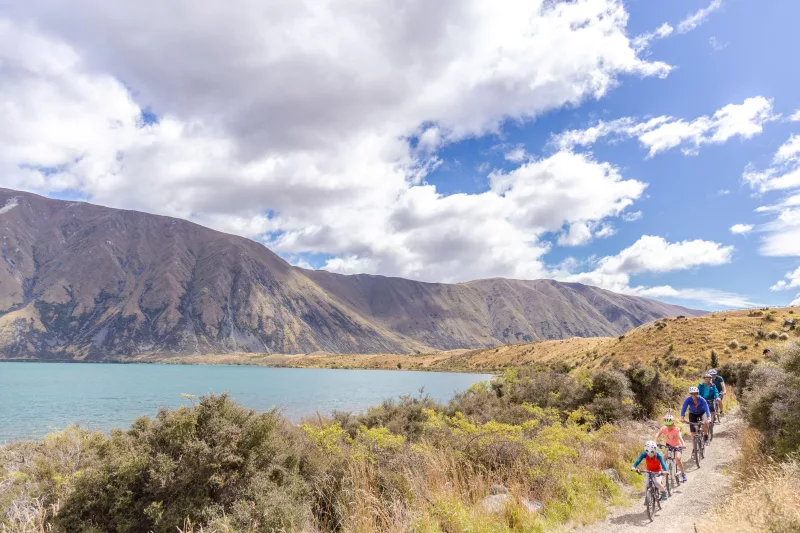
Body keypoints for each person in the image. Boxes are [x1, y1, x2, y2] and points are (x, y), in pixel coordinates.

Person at [654, 414, 687, 482]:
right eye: (667, 425)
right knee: (665, 456)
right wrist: (655, 441)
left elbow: (680, 439)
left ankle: (683, 474)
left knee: (677, 458)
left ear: (673, 424)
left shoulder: (676, 430)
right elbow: (657, 434)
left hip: (677, 446)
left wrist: (683, 445)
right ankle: (661, 472)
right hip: (668, 445)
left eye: (670, 425)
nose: (668, 427)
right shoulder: (663, 428)